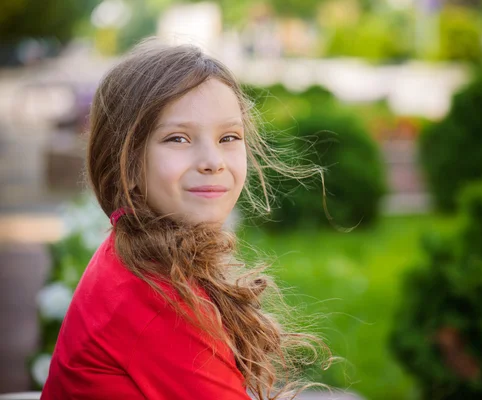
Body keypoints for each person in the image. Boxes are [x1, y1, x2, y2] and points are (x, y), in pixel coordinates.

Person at [41, 38, 333, 400]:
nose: (213, 160)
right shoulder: (158, 300)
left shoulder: (138, 256)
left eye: (228, 136)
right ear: (126, 165)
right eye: (178, 138)